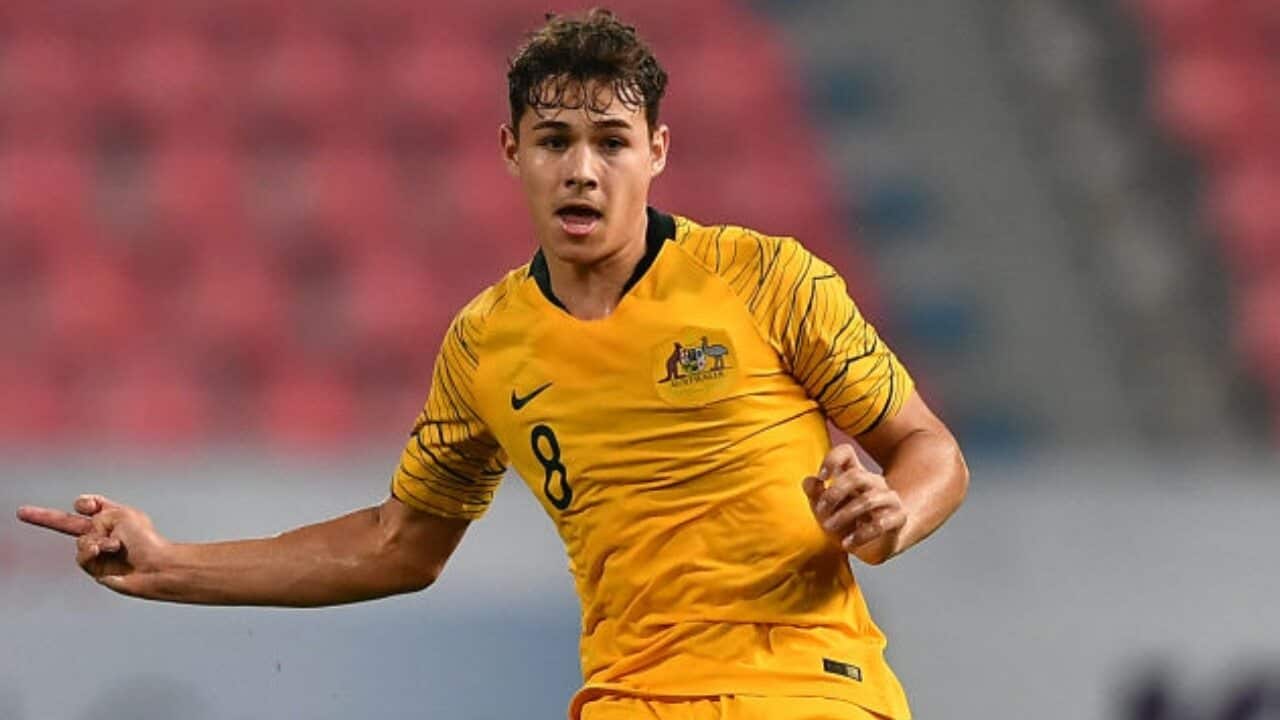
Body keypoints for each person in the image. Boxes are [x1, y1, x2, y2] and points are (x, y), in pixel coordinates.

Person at [17, 9, 968, 720]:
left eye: (611, 143)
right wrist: (170, 563)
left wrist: (894, 512)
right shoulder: (486, 343)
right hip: (626, 700)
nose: (582, 170)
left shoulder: (765, 278)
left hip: (809, 689)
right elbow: (401, 546)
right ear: (511, 152)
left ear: (658, 152)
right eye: (555, 142)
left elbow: (928, 449)